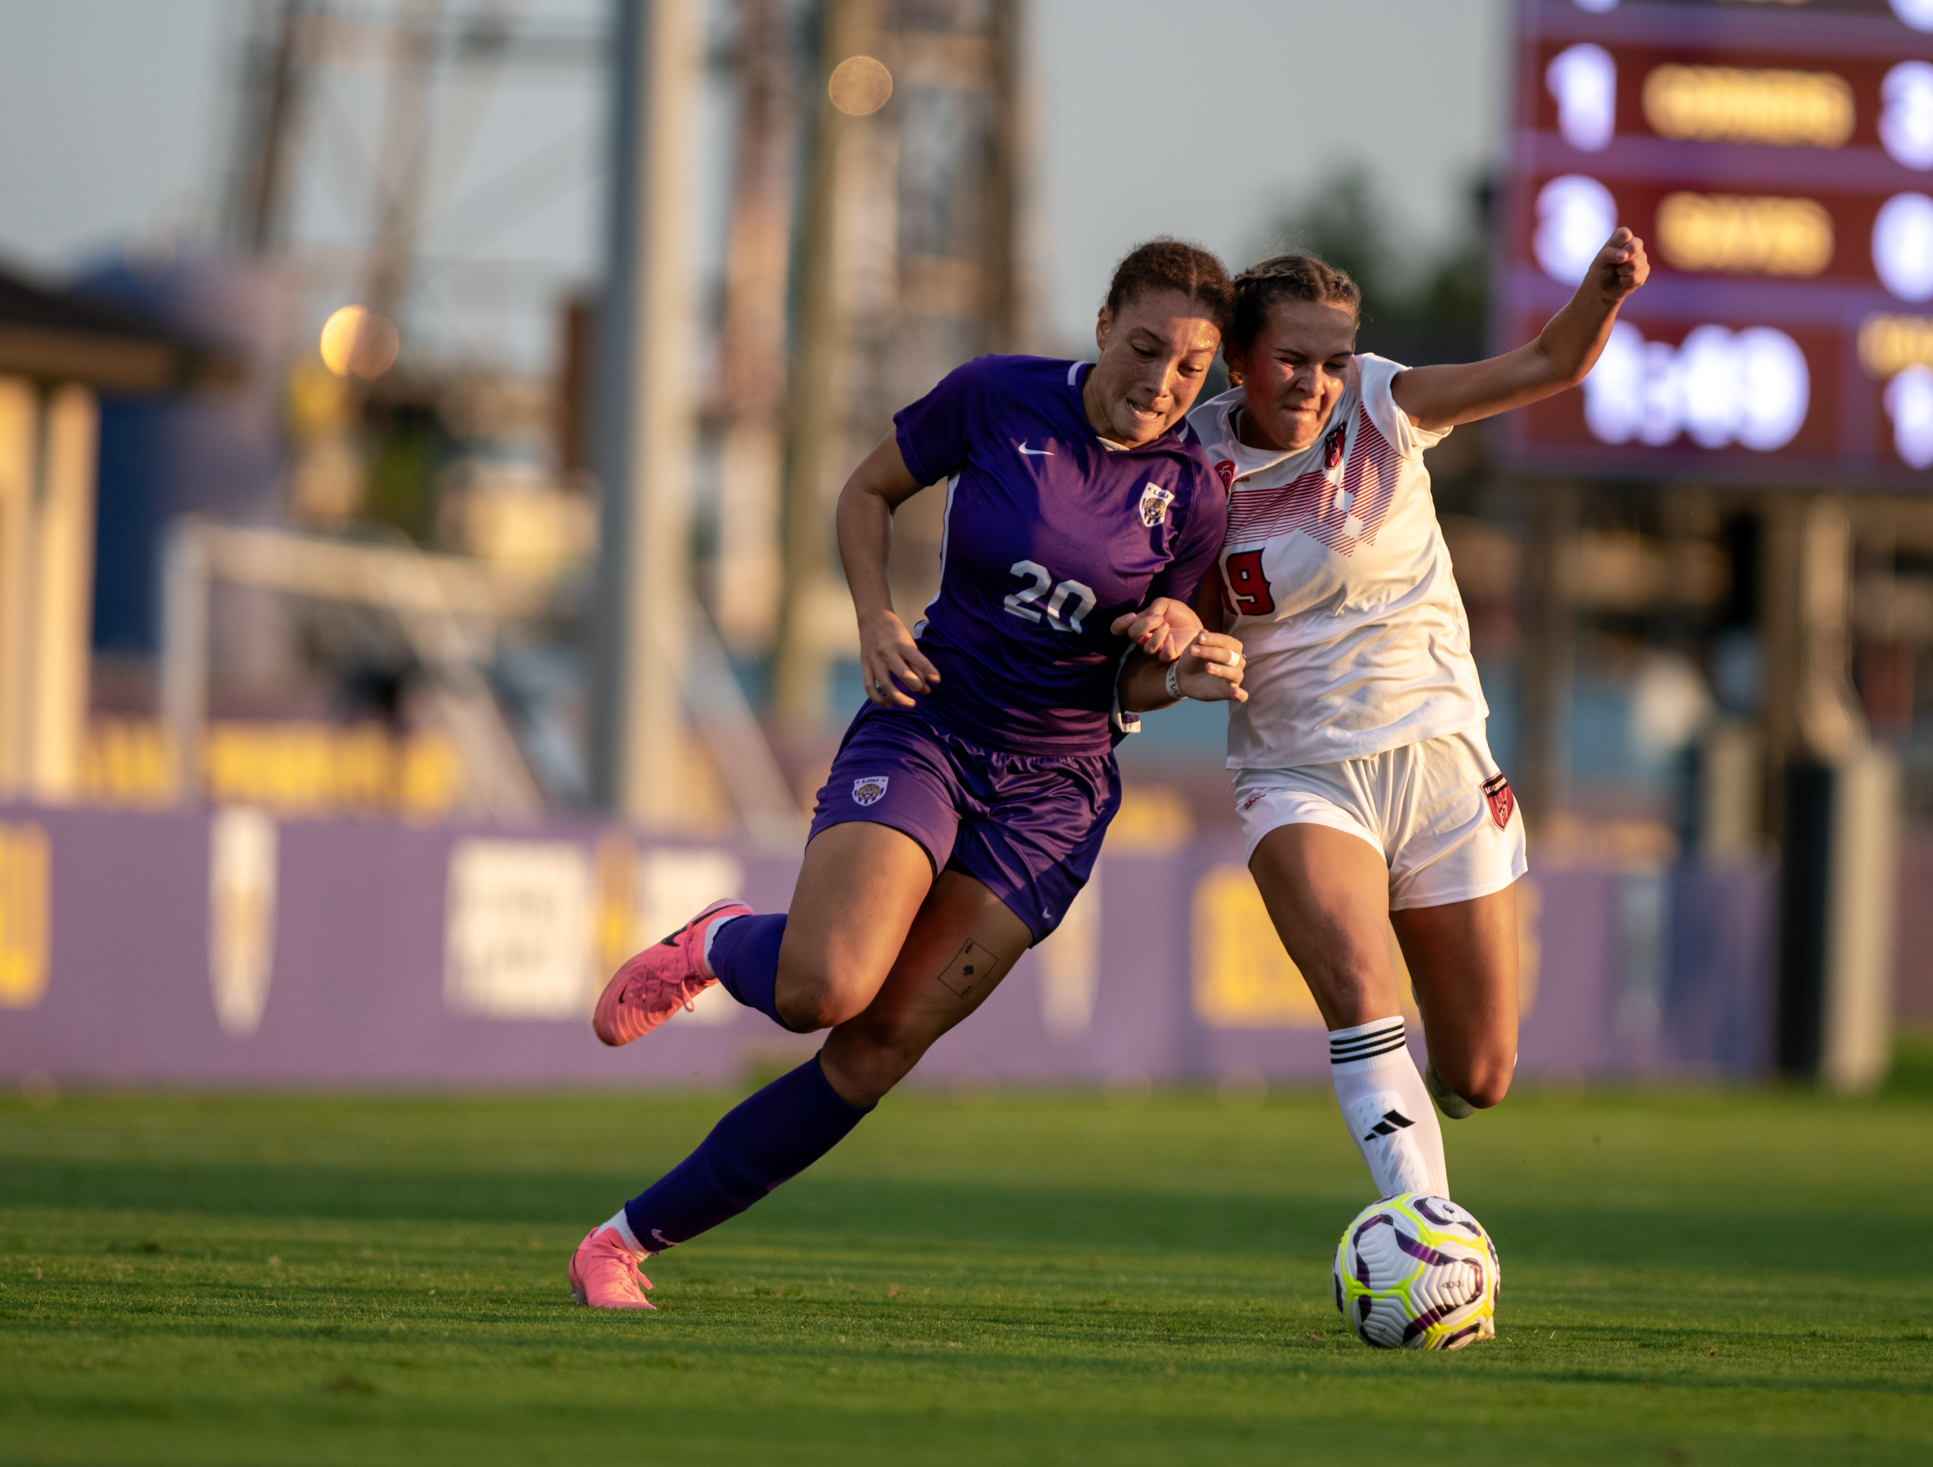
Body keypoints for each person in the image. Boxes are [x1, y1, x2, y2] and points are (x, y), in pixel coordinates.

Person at [566, 239, 1250, 1309]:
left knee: (876, 1049)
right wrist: (875, 619)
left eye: (1191, 371)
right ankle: (716, 940)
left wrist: (1183, 656)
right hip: (929, 724)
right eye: (1145, 347)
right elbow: (864, 493)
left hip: (1051, 798)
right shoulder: (996, 396)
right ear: (1105, 321)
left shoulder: (1195, 497)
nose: (1160, 384)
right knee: (821, 988)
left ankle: (620, 1244)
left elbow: (1140, 684)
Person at [1178, 228, 1650, 1202]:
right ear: (1237, 361)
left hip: (1438, 757)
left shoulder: (1382, 405)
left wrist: (1601, 293)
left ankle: (1422, 1105)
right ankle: (1422, 1225)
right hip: (1297, 769)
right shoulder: (1188, 468)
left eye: (1331, 359)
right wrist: (1182, 639)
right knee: (1359, 989)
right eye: (1289, 360)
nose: (1315, 381)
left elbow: (1549, 362)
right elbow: (1180, 604)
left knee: (1478, 1076)